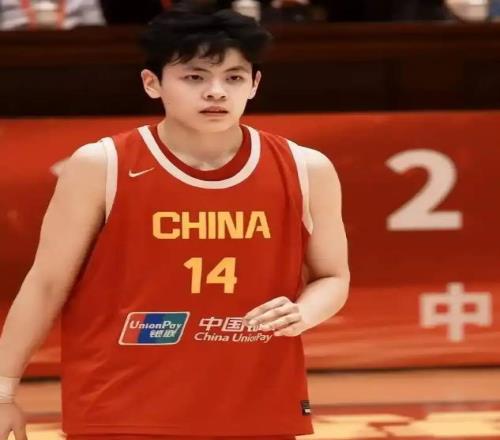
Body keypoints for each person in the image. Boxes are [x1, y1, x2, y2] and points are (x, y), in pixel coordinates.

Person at [0, 5, 350, 440]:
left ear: (255, 84)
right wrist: (3, 392)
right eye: (195, 77)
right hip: (119, 408)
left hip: (257, 404)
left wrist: (304, 311)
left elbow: (334, 277)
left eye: (234, 78)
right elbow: (46, 283)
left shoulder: (305, 167)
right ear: (152, 83)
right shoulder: (101, 164)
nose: (216, 92)